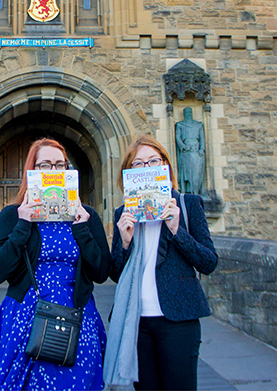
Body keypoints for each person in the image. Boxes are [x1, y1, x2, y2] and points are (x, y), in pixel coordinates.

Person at [0, 138, 112, 390]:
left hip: (77, 317)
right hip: (25, 318)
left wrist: (82, 229)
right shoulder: (12, 214)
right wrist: (23, 225)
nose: (53, 171)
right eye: (45, 165)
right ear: (32, 171)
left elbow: (102, 272)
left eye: (60, 165)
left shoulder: (86, 214)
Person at [104, 134, 218, 390]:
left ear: (165, 166)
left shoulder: (188, 204)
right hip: (138, 322)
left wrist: (178, 231)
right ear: (128, 173)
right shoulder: (123, 213)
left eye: (153, 161)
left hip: (178, 320)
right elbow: (116, 272)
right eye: (138, 164)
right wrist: (123, 242)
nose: (146, 168)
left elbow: (209, 262)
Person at [174, 107, 205, 195]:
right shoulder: (180, 125)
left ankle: (197, 190)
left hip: (196, 151)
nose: (188, 114)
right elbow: (177, 137)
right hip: (186, 152)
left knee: (197, 171)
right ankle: (185, 190)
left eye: (189, 112)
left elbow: (202, 138)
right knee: (186, 172)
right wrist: (183, 146)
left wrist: (202, 149)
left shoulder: (198, 125)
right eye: (186, 112)